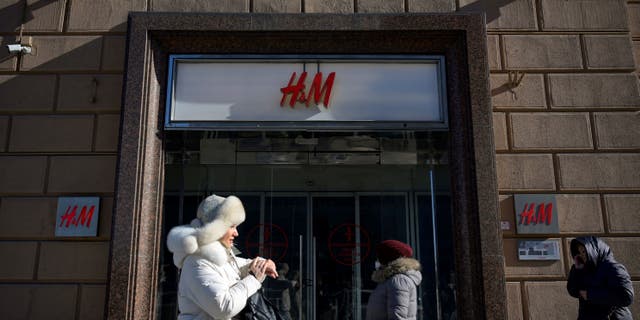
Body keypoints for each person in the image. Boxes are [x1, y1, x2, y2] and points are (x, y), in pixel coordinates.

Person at [167, 194, 278, 320]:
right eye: (231, 226)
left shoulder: (221, 257)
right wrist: (253, 279)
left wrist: (264, 264)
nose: (236, 233)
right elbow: (224, 307)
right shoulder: (196, 262)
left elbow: (240, 265)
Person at [567, 236, 634, 320]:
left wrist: (590, 294)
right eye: (579, 253)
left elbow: (626, 297)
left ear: (592, 250)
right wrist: (576, 269)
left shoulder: (613, 268)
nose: (581, 255)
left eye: (584, 252)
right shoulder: (585, 270)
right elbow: (573, 291)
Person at [366, 239, 422, 320]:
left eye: (379, 257)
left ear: (387, 259)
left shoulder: (399, 280)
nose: (377, 261)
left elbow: (397, 317)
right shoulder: (390, 280)